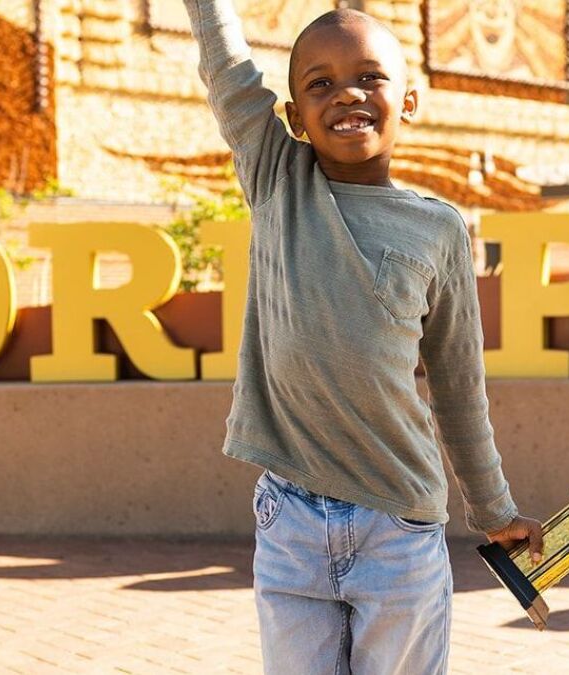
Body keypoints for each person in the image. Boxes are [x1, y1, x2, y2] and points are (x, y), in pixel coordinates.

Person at [182, 2, 544, 672]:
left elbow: (458, 386)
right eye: (318, 84)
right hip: (289, 519)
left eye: (369, 77)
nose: (345, 92)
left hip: (399, 531)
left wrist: (494, 508)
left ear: (409, 100)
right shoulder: (276, 178)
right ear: (293, 117)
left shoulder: (438, 230)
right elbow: (227, 68)